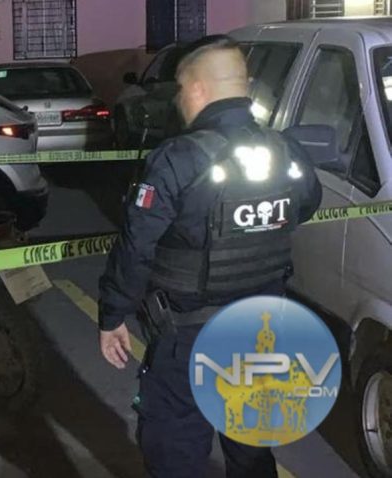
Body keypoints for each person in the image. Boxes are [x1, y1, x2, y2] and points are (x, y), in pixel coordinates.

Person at [98, 36, 322, 477]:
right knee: (251, 450)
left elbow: (137, 245)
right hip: (261, 332)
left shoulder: (178, 159)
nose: (178, 100)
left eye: (181, 90)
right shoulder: (285, 150)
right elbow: (306, 205)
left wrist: (113, 315)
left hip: (189, 335)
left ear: (198, 89)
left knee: (175, 451)